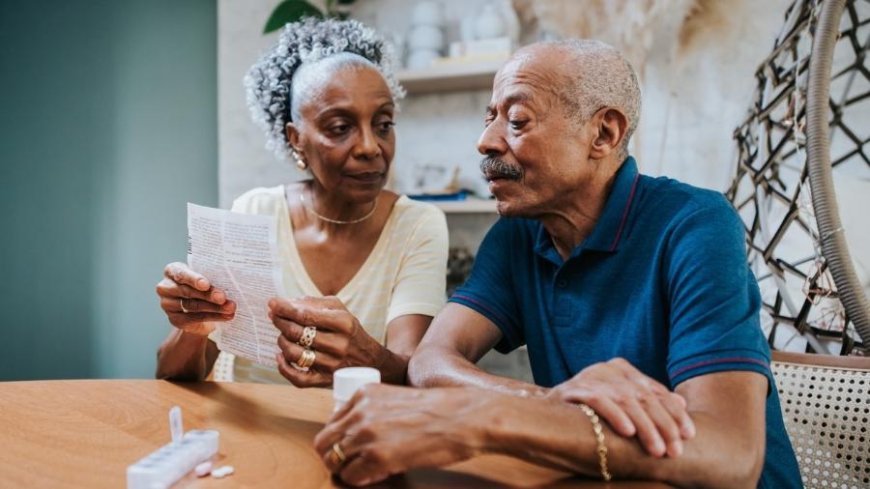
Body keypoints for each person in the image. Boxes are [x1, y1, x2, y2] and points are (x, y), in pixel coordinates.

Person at [313, 39, 802, 488]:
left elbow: (728, 455)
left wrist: (480, 416)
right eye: (489, 118)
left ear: (603, 133)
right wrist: (550, 403)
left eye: (517, 120)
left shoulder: (695, 224)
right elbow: (431, 361)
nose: (486, 141)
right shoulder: (516, 235)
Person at [154, 18, 448, 386]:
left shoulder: (417, 224)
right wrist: (193, 327)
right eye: (340, 128)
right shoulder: (255, 212)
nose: (371, 147)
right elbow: (170, 373)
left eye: (383, 124)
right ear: (296, 139)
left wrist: (363, 357)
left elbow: (412, 373)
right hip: (245, 434)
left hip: (357, 436)